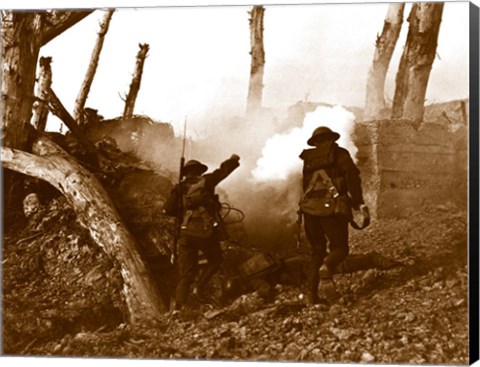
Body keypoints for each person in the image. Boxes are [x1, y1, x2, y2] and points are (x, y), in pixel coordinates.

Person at [299, 126, 368, 305]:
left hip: (309, 210)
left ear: (315, 142)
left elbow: (305, 185)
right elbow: (352, 175)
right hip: (331, 209)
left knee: (317, 251)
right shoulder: (338, 153)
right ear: (331, 139)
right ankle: (327, 267)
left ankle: (311, 297)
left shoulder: (308, 158)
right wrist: (357, 201)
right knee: (340, 248)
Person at [163, 154, 240, 311]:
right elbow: (222, 172)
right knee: (215, 260)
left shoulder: (179, 188)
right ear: (199, 171)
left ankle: (178, 308)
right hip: (205, 232)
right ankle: (199, 287)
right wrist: (233, 160)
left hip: (185, 234)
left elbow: (168, 210)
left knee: (185, 274)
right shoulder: (206, 181)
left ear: (185, 173)